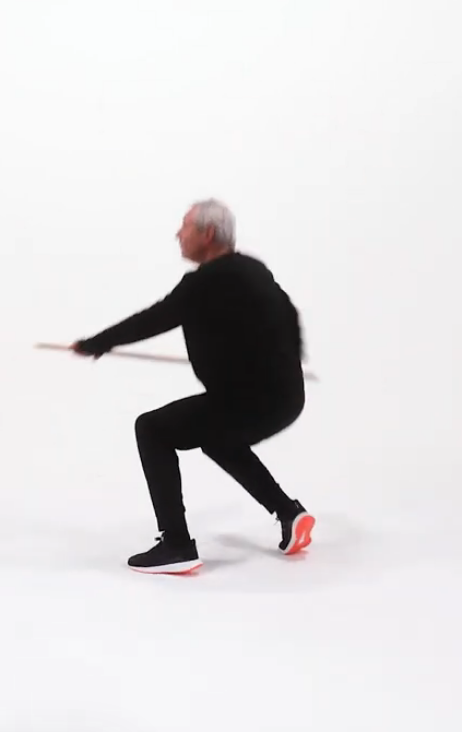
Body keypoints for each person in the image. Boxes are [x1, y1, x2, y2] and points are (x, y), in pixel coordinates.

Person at [72, 199, 314, 574]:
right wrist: (285, 362)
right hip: (287, 397)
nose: (178, 234)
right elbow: (290, 315)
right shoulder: (254, 270)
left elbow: (154, 318)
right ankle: (289, 513)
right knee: (217, 438)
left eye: (184, 227)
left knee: (152, 429)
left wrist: (97, 343)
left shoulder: (205, 282)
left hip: (250, 400)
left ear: (208, 233)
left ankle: (176, 545)